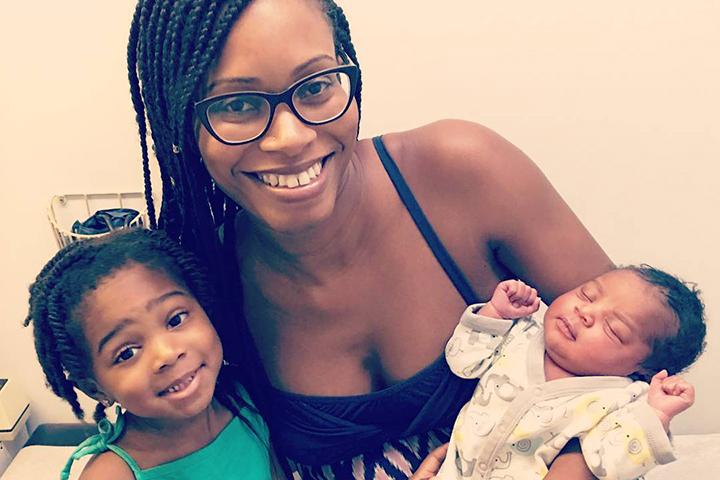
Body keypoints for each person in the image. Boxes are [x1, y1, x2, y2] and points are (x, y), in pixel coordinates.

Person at [126, 0, 617, 478]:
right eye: (237, 104)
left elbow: (641, 343)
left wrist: (573, 465)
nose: (291, 137)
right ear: (180, 123)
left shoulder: (462, 172)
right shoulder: (204, 282)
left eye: (315, 86)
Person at [24, 229, 280, 480]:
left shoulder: (246, 397)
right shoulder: (112, 475)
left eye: (175, 319)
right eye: (127, 353)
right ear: (95, 390)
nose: (167, 354)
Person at [435, 266, 705, 480]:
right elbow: (463, 363)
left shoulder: (624, 399)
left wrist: (657, 416)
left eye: (613, 328)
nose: (585, 312)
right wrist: (494, 313)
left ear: (644, 369)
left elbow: (611, 464)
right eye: (587, 294)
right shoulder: (520, 331)